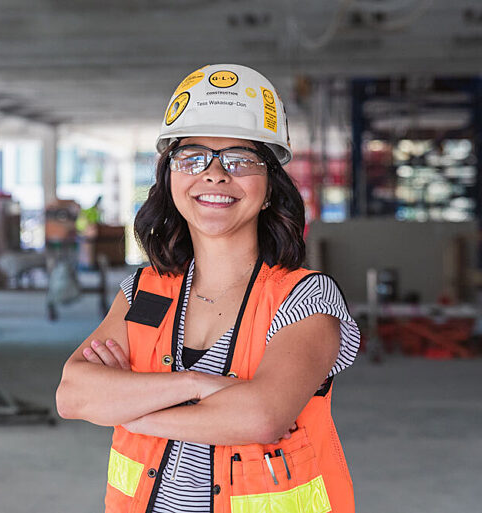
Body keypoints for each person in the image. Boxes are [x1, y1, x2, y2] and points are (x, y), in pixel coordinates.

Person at [56, 64, 359, 513]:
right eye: (192, 157)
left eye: (239, 160)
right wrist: (198, 385)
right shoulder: (145, 293)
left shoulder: (305, 300)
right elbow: (73, 396)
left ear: (271, 188)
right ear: (170, 178)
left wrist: (128, 405)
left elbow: (261, 416)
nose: (215, 175)